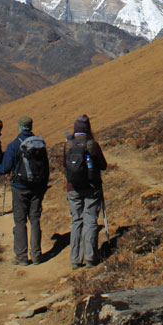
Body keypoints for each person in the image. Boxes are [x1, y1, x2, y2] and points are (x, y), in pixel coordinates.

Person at [0, 116, 49, 266]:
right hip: (37, 189)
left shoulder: (14, 145)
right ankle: (36, 255)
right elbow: (46, 169)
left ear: (20, 127)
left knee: (20, 221)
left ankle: (22, 257)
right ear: (31, 127)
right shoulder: (39, 144)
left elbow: (5, 168)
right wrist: (43, 188)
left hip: (20, 188)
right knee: (35, 220)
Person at [64, 114, 107, 269]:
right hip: (92, 188)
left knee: (76, 221)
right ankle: (90, 257)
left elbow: (65, 165)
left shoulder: (68, 145)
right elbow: (103, 165)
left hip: (73, 188)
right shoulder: (92, 145)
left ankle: (75, 259)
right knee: (90, 220)